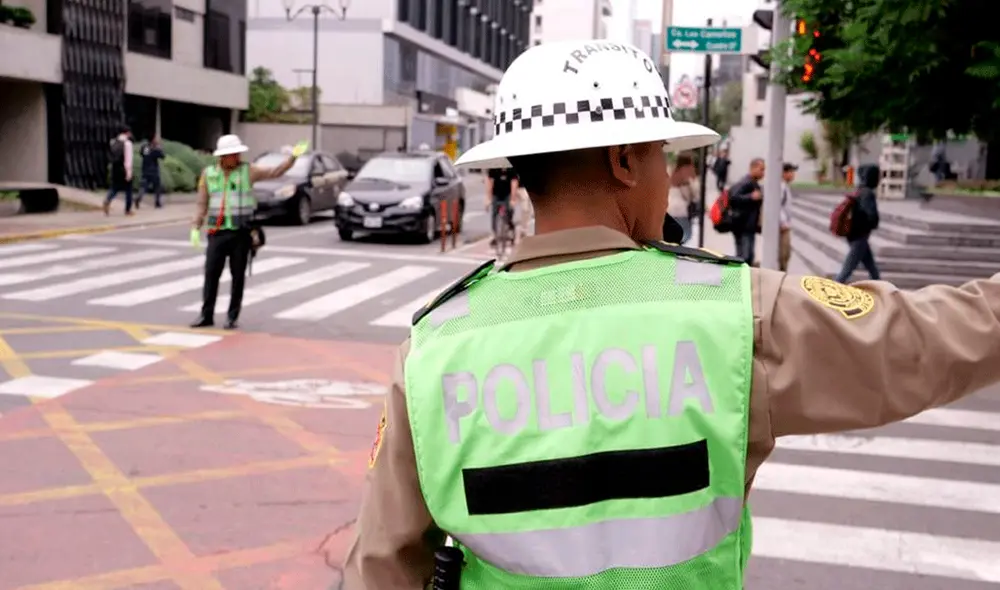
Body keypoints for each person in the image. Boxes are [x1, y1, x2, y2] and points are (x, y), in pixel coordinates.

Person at [344, 40, 1000, 589]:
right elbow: (927, 342)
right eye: (664, 155)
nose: (671, 176)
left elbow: (382, 561)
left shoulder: (435, 345)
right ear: (625, 160)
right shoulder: (733, 311)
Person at [189, 135, 307, 330]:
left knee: (238, 276)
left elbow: (276, 171)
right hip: (217, 232)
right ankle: (206, 315)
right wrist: (195, 226)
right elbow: (202, 203)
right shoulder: (208, 174)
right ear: (222, 156)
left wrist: (292, 158)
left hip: (240, 233)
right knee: (211, 275)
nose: (235, 157)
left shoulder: (248, 171)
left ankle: (232, 316)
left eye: (237, 153)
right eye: (230, 154)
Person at [835, 163, 881, 283]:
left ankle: (881, 286)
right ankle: (832, 289)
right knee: (847, 270)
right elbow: (871, 214)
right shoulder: (868, 194)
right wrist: (874, 221)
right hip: (859, 236)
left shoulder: (859, 190)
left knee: (871, 267)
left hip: (855, 234)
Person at [727, 157, 765, 265]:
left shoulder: (753, 183)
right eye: (761, 169)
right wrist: (751, 197)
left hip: (748, 225)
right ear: (753, 168)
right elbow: (733, 197)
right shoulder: (746, 182)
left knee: (747, 255)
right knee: (744, 256)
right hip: (743, 225)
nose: (763, 173)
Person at [664, 152, 696, 244]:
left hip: (669, 208)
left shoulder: (673, 171)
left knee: (673, 235)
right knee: (685, 235)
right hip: (681, 209)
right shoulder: (687, 172)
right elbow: (692, 194)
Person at [104, 125, 134, 216]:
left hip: (115, 168)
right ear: (127, 133)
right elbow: (128, 160)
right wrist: (128, 173)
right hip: (123, 169)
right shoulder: (127, 143)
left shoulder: (113, 142)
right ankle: (128, 210)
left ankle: (107, 200)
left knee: (115, 187)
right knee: (129, 190)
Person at [485, 166, 519, 245]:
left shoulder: (511, 168)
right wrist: (488, 198)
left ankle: (510, 229)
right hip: (496, 193)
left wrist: (513, 199)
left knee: (509, 210)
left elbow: (514, 183)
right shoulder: (494, 168)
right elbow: (489, 183)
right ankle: (495, 234)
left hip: (508, 193)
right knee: (494, 213)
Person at [779, 162, 797, 272]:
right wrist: (783, 222)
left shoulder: (784, 186)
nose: (793, 175)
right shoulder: (781, 187)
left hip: (785, 224)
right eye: (791, 172)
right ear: (784, 173)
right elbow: (777, 205)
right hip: (783, 226)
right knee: (784, 254)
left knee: (786, 254)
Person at [137, 136, 165, 209]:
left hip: (145, 169)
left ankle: (139, 197)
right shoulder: (155, 148)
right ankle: (157, 202)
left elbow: (141, 153)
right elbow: (162, 156)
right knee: (157, 187)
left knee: (143, 186)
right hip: (154, 171)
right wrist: (160, 148)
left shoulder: (144, 147)